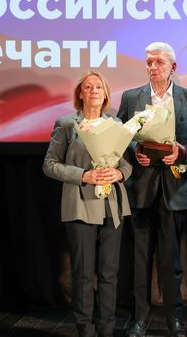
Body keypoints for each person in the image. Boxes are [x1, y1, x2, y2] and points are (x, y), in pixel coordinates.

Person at [118, 42, 187, 337]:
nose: (153, 67)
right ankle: (139, 319)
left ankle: (174, 319)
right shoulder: (131, 97)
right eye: (149, 62)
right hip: (141, 189)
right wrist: (135, 150)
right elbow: (121, 135)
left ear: (173, 67)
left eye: (159, 62)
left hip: (175, 189)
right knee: (140, 259)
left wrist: (182, 152)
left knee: (171, 260)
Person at [43, 70, 132, 337]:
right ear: (80, 94)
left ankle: (106, 329)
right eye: (88, 87)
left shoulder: (116, 123)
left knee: (109, 274)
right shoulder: (67, 124)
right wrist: (83, 175)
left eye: (99, 87)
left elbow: (126, 164)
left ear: (105, 95)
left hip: (112, 206)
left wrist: (119, 174)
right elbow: (49, 165)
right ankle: (85, 330)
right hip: (80, 205)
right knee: (83, 274)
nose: (94, 91)